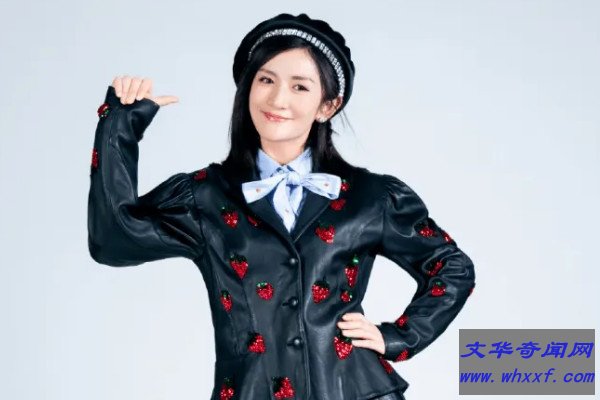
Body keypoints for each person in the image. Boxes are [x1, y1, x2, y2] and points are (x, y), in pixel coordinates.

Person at [87, 12, 476, 400]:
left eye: (300, 87)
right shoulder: (205, 196)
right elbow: (112, 240)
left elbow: (452, 266)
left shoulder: (370, 197)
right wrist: (119, 125)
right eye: (266, 80)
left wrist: (397, 337)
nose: (278, 99)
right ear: (248, 88)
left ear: (327, 106)